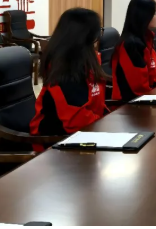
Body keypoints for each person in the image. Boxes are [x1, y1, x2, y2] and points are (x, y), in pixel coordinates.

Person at [30, 8, 108, 136]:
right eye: (98, 31)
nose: (98, 37)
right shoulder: (63, 69)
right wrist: (107, 126)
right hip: (55, 139)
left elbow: (95, 104)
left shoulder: (87, 60)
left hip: (88, 130)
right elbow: (76, 120)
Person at [112, 0, 156, 101]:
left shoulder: (147, 38)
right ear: (143, 16)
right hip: (130, 104)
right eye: (154, 13)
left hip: (148, 97)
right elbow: (138, 87)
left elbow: (154, 75)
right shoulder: (130, 44)